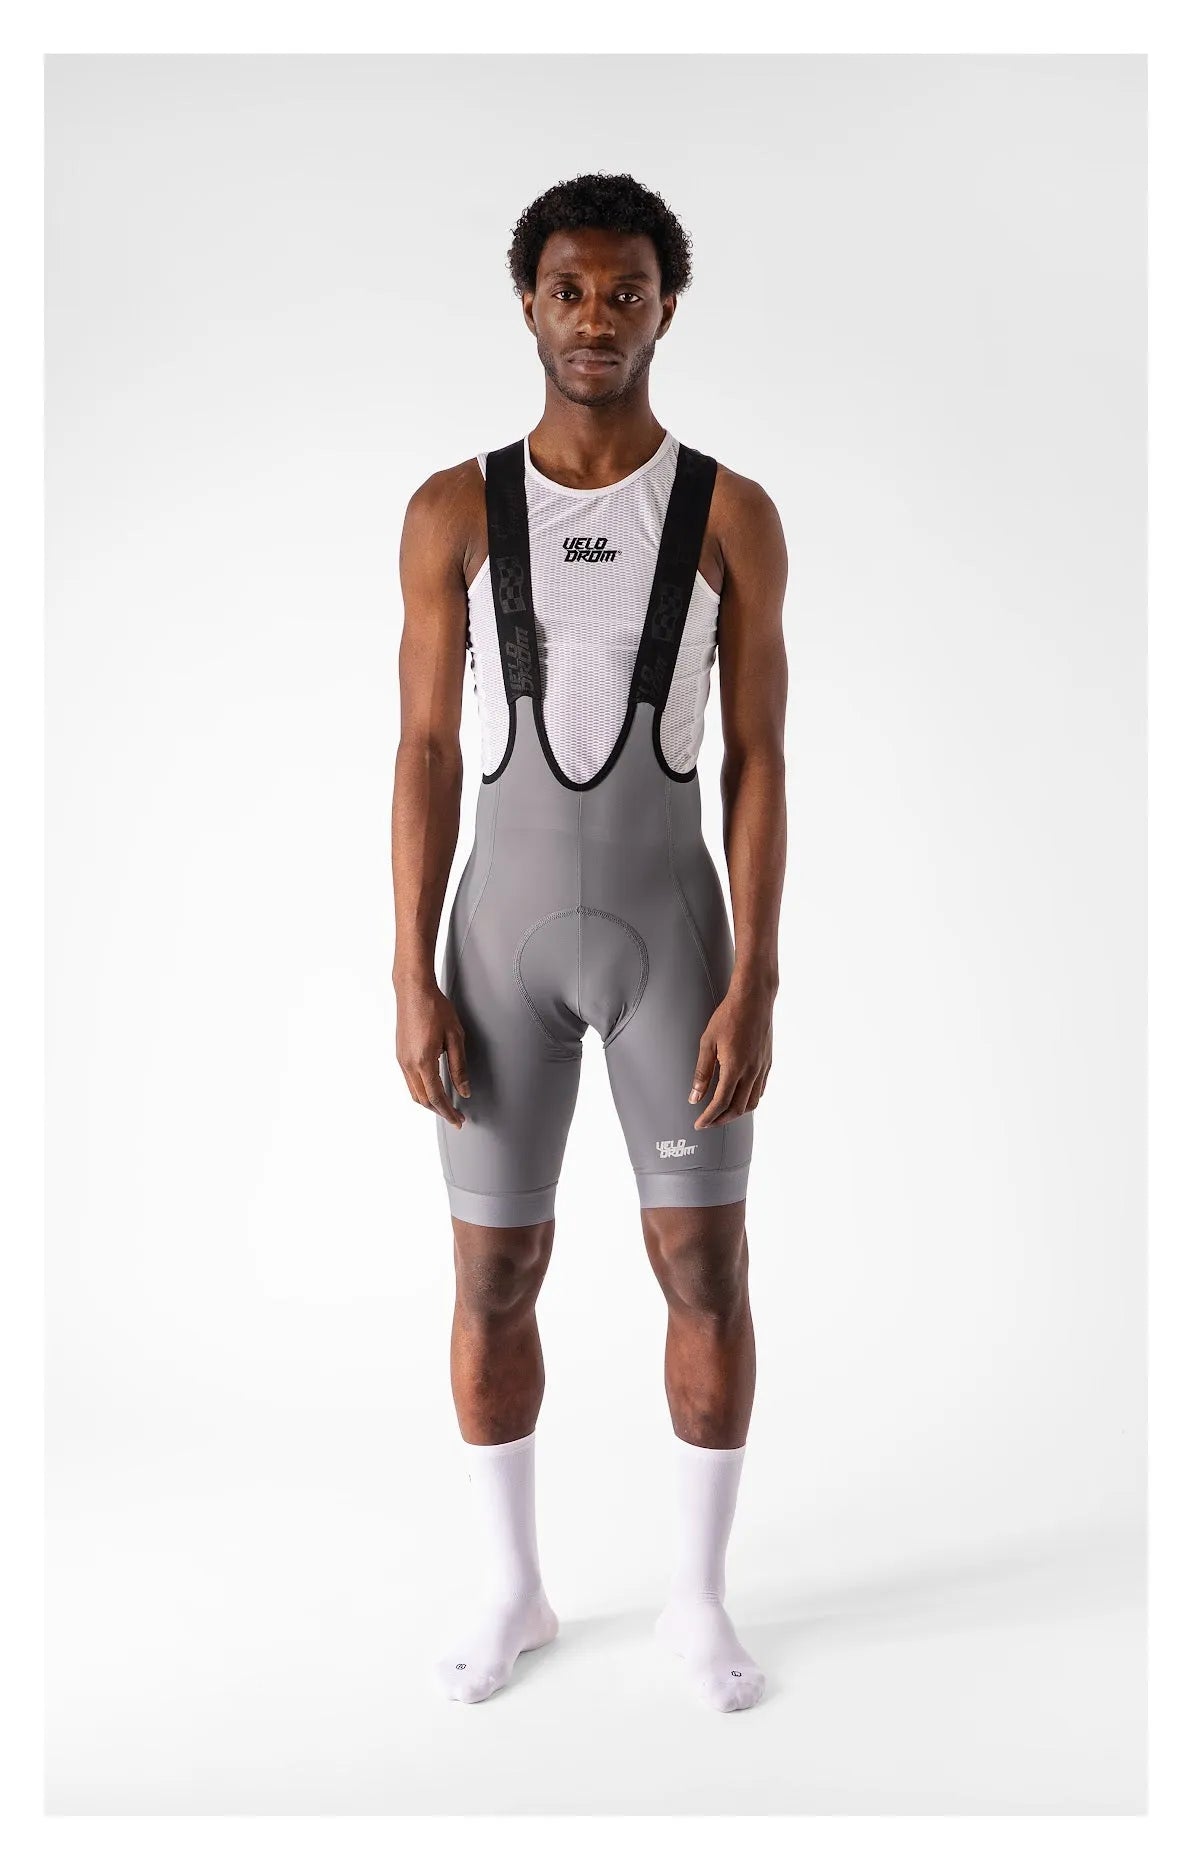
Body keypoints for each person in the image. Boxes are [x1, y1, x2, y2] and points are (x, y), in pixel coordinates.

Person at [390, 172, 788, 1711]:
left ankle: (698, 1600)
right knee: (494, 1274)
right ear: (530, 303)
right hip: (496, 950)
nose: (598, 317)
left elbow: (758, 758)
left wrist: (756, 976)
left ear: (666, 307)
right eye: (571, 289)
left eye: (627, 290)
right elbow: (428, 751)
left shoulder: (728, 512)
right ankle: (515, 1590)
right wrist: (410, 969)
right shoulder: (455, 508)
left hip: (671, 942)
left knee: (703, 1260)